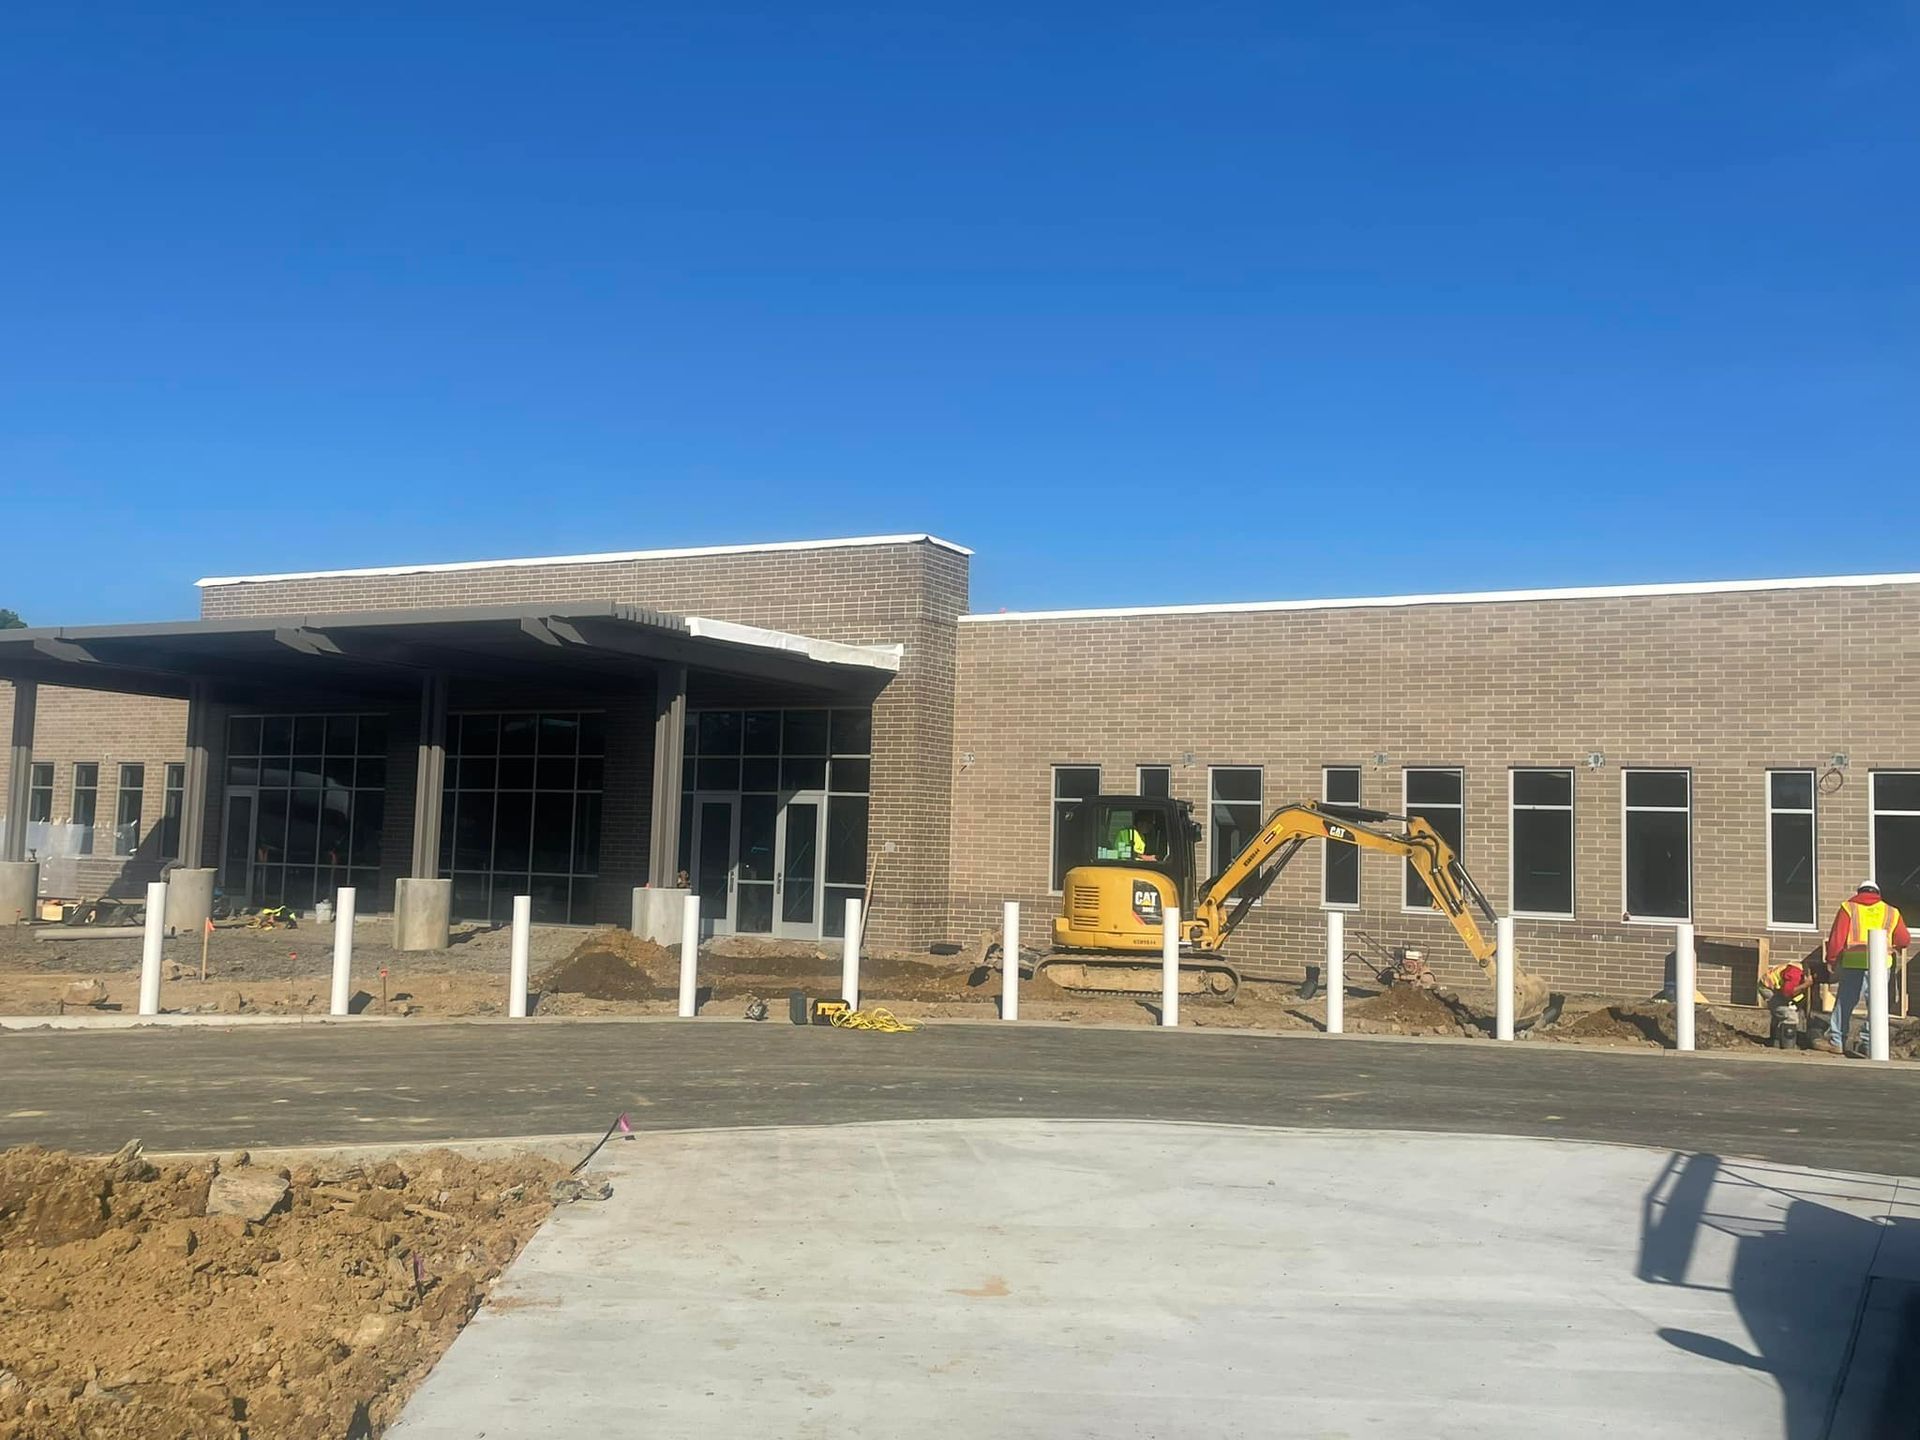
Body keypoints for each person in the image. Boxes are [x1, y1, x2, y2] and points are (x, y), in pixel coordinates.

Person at [1823, 881, 1909, 1055]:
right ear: (1878, 893)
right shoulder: (1891, 911)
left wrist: (1832, 959)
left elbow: (1837, 937)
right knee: (1877, 1005)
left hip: (1853, 963)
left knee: (1845, 1003)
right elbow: (1903, 939)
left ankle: (1837, 1040)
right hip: (1881, 965)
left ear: (1859, 892)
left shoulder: (1849, 908)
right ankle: (1870, 1043)